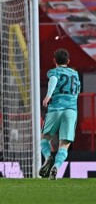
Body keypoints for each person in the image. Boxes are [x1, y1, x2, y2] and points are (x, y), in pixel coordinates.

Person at [39, 49, 81, 180]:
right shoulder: (75, 74)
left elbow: (53, 80)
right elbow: (77, 91)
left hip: (55, 109)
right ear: (68, 61)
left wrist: (48, 96)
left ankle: (48, 157)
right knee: (64, 144)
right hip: (71, 111)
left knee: (44, 139)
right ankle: (56, 166)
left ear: (54, 60)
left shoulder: (54, 72)